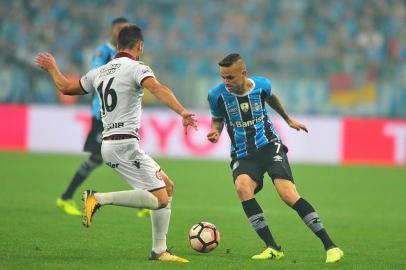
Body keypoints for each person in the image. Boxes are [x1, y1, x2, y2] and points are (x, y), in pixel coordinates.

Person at [35, 24, 197, 263]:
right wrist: (182, 111)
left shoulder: (99, 72)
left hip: (111, 143)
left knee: (167, 187)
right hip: (124, 145)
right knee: (161, 198)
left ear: (118, 45)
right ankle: (98, 199)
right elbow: (158, 88)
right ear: (139, 46)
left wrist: (52, 68)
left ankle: (159, 251)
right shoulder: (137, 68)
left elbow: (65, 87)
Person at [206, 53, 343, 263]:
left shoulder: (261, 86)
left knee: (287, 194)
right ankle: (272, 247)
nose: (226, 82)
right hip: (243, 154)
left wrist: (287, 119)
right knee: (243, 188)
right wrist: (215, 131)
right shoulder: (216, 95)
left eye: (230, 77)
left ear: (243, 73)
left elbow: (272, 99)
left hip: (269, 146)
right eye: (223, 77)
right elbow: (217, 119)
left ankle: (331, 246)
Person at [56, 17, 130, 216]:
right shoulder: (103, 51)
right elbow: (97, 75)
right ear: (112, 30)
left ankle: (145, 202)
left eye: (125, 29)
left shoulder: (128, 54)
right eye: (119, 29)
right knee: (101, 157)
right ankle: (65, 197)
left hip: (118, 114)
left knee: (120, 154)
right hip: (101, 114)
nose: (121, 32)